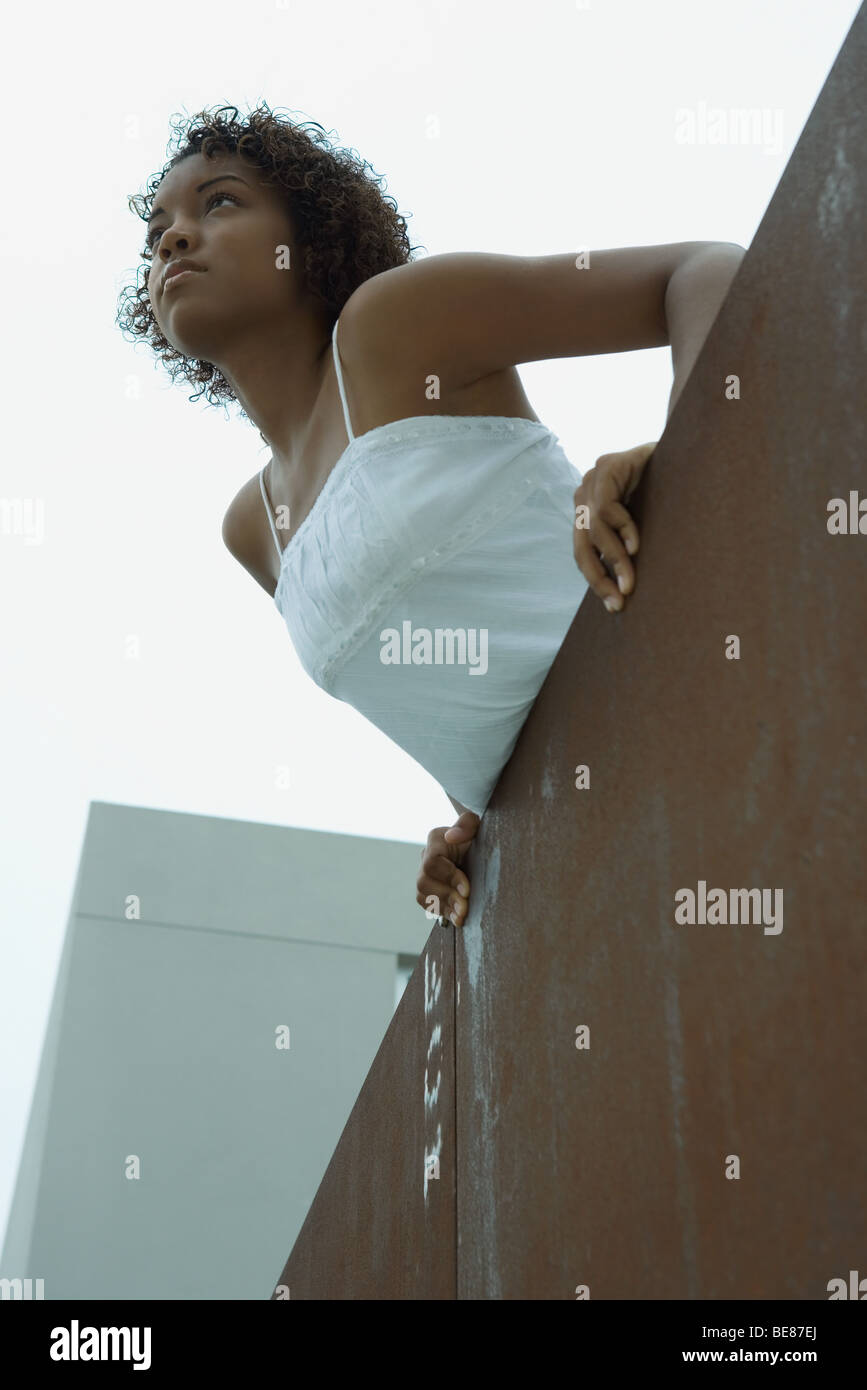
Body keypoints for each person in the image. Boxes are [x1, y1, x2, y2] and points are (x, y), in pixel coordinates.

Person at [117, 103, 745, 933]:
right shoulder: (252, 528)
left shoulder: (394, 327)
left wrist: (681, 464)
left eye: (220, 203)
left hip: (708, 703)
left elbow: (704, 270)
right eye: (158, 228)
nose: (174, 238)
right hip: (606, 850)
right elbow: (446, 679)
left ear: (309, 237)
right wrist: (467, 824)